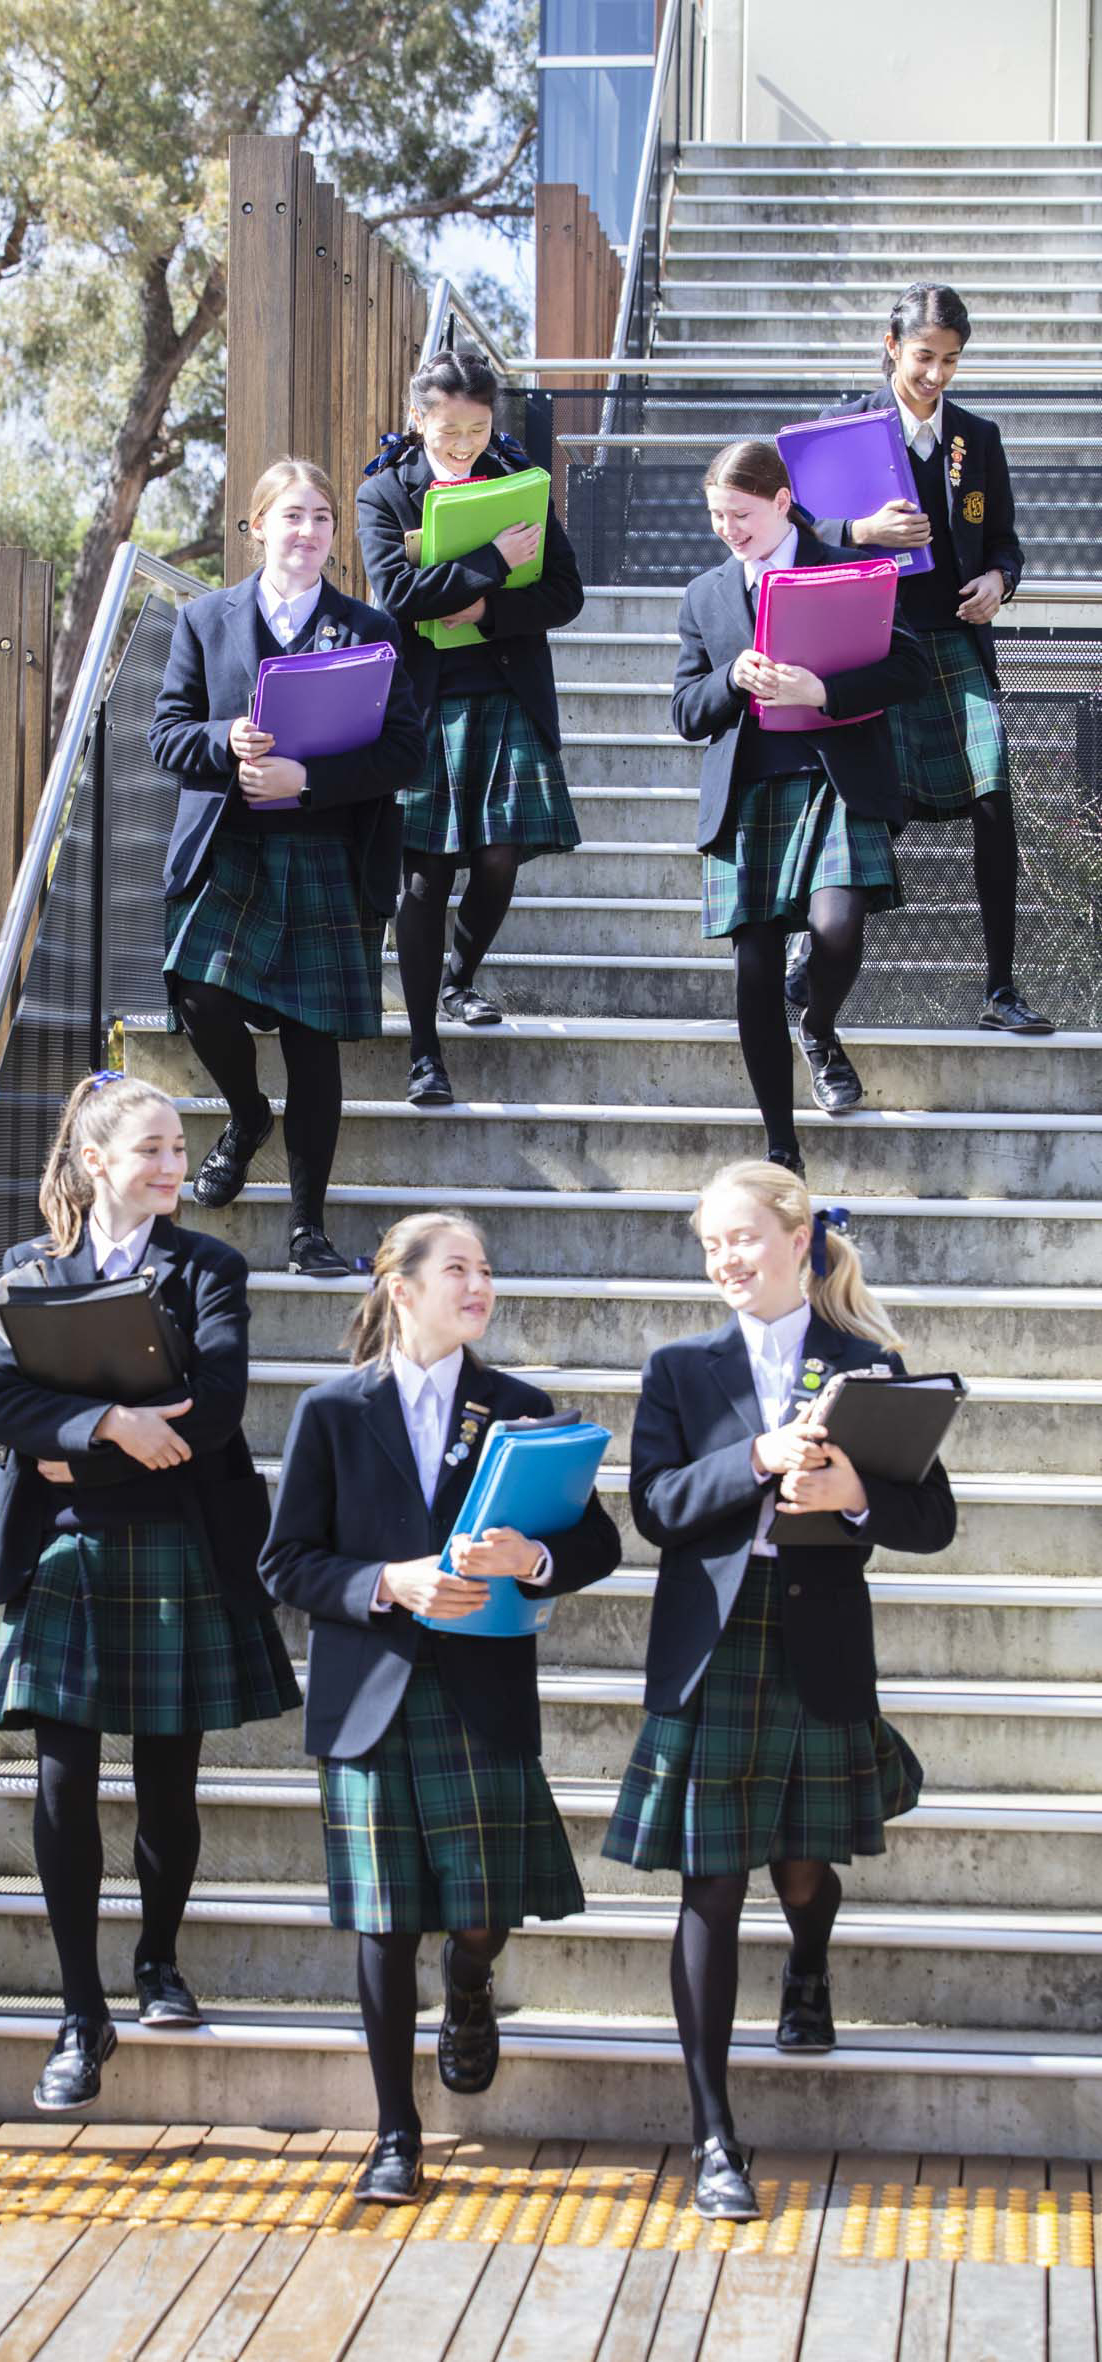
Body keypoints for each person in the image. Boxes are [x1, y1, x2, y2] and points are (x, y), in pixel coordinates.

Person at [604, 1158, 956, 2221]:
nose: (726, 1261)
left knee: (803, 1870)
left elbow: (931, 1520)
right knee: (710, 1883)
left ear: (798, 1239)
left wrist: (856, 1498)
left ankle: (808, 1964)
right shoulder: (681, 1368)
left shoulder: (871, 1361)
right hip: (714, 1647)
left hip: (816, 1640)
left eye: (742, 1239)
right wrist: (758, 1454)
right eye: (711, 1245)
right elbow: (658, 1507)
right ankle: (714, 2134)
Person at [261, 1211, 622, 2203]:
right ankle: (394, 2133)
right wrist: (391, 1581)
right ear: (401, 1286)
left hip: (479, 1691)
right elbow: (286, 1562)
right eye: (458, 1268)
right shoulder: (332, 1410)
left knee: (479, 1914)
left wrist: (533, 1559)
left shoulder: (521, 1407)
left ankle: (472, 1983)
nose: (480, 1284)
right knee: (382, 1926)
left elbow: (597, 1544)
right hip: (370, 1695)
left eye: (487, 1268)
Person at [0, 1072, 300, 2113]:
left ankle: (158, 1960)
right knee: (64, 1782)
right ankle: (82, 2013)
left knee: (169, 1783)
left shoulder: (210, 1266)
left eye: (178, 1147)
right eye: (152, 1148)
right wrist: (110, 1428)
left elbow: (214, 1408)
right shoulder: (29, 1268)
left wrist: (74, 1448)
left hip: (180, 1545)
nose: (172, 1165)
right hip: (67, 1552)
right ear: (97, 1160)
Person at [148, 458, 425, 1277]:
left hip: (325, 850)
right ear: (257, 525)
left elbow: (404, 751)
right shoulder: (203, 620)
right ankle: (245, 1115)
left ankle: (307, 1228)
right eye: (292, 516)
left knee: (313, 1043)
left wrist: (310, 781)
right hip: (229, 843)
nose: (307, 533)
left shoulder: (370, 627)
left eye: (321, 519)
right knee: (194, 990)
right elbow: (165, 736)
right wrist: (224, 739)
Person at [793, 280, 1053, 1034]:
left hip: (950, 640)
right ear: (889, 346)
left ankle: (999, 990)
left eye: (950, 361)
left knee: (993, 790)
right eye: (922, 358)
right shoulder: (839, 429)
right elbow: (800, 533)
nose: (935, 375)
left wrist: (1000, 578)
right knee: (876, 807)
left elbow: (1003, 538)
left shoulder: (978, 437)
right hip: (869, 643)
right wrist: (862, 532)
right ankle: (808, 966)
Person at [673, 440, 929, 1175]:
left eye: (741, 514)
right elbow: (686, 711)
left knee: (836, 929)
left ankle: (816, 1025)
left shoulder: (844, 567)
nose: (728, 528)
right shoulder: (705, 594)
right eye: (717, 515)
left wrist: (823, 692)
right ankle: (780, 1144)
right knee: (752, 971)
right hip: (747, 791)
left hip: (834, 779)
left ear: (782, 502)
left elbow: (907, 666)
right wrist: (731, 677)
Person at [356, 348, 584, 1108]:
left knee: (498, 860)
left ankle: (460, 976)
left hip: (506, 690)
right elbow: (394, 594)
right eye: (447, 428)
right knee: (423, 880)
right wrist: (489, 559)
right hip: (422, 704)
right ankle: (423, 1051)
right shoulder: (384, 493)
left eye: (477, 428)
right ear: (417, 418)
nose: (462, 444)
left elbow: (563, 592)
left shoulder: (517, 482)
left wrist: (485, 607)